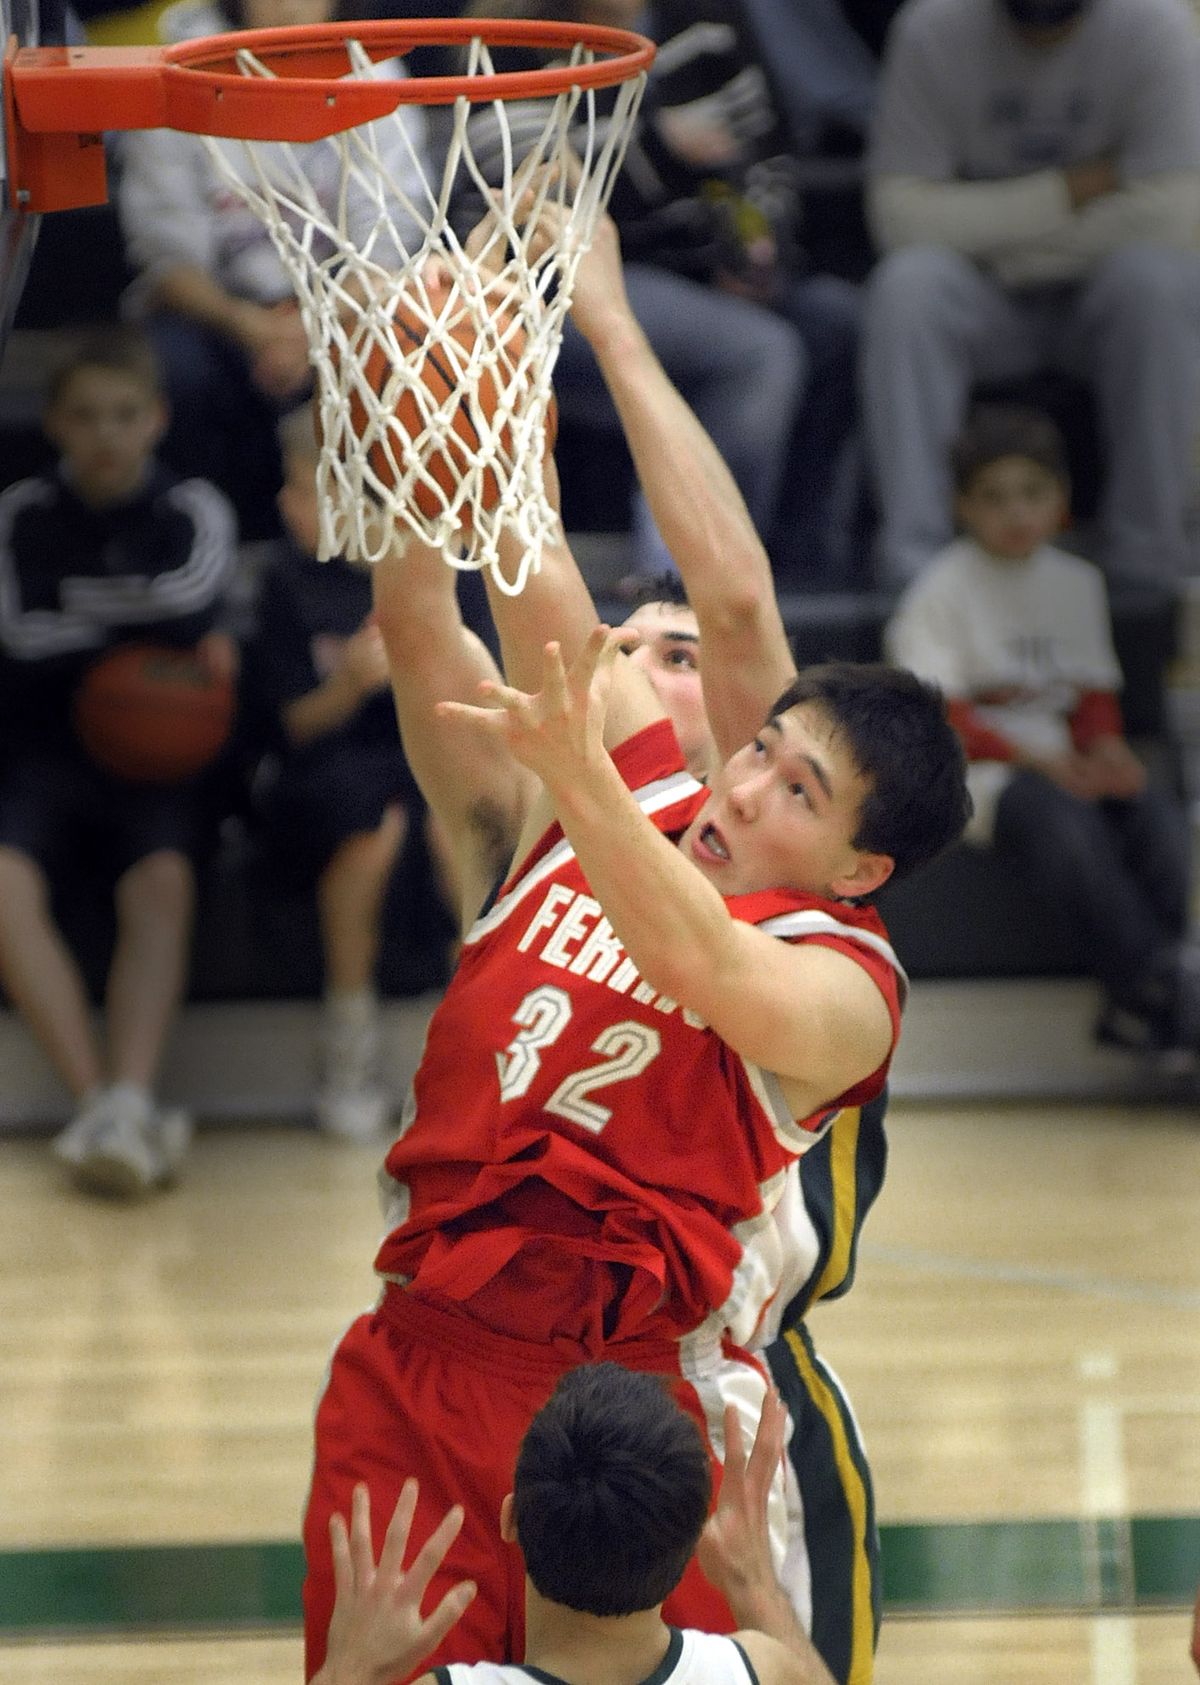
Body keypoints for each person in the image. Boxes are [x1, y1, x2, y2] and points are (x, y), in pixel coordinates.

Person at [301, 195, 970, 1678]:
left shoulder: (840, 978)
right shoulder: (628, 795)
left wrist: (603, 320)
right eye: (759, 749)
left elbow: (698, 958)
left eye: (796, 788)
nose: (749, 778)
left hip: (642, 1396)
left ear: (859, 867)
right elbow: (528, 576)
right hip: (423, 1351)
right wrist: (457, 394)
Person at [461, 0, 862, 588]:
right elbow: (537, 195)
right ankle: (692, 581)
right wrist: (661, 149)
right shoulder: (508, 45)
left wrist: (754, 249)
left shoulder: (704, 25)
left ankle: (799, 557)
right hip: (557, 284)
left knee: (835, 321)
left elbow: (767, 158)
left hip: (706, 271)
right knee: (757, 351)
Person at [885, 403, 1199, 1062]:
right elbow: (939, 718)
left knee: (1155, 815)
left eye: (1033, 493)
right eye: (995, 497)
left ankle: (1159, 990)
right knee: (1061, 823)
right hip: (982, 777)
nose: (1017, 513)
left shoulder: (1076, 584)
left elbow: (1091, 697)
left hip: (1061, 763)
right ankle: (1161, 989)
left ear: (1061, 499)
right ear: (963, 507)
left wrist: (1108, 752)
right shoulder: (939, 591)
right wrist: (1046, 762)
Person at [0, 327, 237, 1194]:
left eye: (125, 413)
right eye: (87, 414)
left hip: (157, 760)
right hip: (43, 749)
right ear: (56, 422)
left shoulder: (193, 509)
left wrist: (82, 612)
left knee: (162, 883)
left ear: (157, 418)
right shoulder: (21, 512)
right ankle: (103, 1108)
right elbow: (19, 635)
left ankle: (130, 1097)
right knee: (2, 885)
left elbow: (192, 597)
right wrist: (150, 631)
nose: (106, 432)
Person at [860, 0, 1200, 589]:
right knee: (907, 286)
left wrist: (1001, 240)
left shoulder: (1158, 23)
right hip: (983, 297)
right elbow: (899, 219)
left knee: (1157, 282)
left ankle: (1150, 570)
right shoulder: (932, 26)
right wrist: (1068, 191)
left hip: (1101, 297)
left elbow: (1176, 217)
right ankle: (917, 574)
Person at [115, 0, 431, 539]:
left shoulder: (375, 72)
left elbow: (386, 241)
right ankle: (200, 543)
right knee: (173, 369)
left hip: (343, 307)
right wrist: (252, 327)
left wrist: (316, 329)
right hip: (221, 311)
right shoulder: (177, 72)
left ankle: (362, 556)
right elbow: (167, 257)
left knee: (409, 351)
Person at [313, 1366, 836, 1685]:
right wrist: (752, 1584)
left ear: (510, 1518)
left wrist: (352, 1669)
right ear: (691, 1541)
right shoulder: (758, 1670)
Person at [245, 405, 447, 1142]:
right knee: (373, 825)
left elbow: (480, 708)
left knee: (465, 826)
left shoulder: (435, 568)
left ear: (361, 501)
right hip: (322, 769)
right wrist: (352, 685)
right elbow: (286, 729)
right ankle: (349, 1049)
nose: (283, 502)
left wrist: (421, 672)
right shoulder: (286, 580)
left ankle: (484, 1038)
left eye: (301, 488)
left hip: (429, 754)